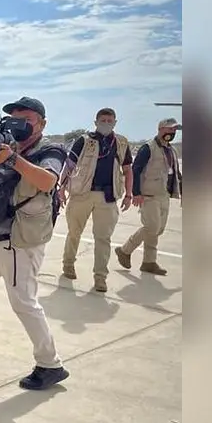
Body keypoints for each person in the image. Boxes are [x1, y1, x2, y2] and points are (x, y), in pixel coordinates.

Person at [0, 96, 69, 390]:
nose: (18, 124)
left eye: (26, 119)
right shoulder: (1, 143)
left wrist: (12, 158)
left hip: (19, 242)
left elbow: (48, 181)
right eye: (13, 118)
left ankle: (50, 363)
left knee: (23, 302)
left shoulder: (51, 150)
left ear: (42, 123)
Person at [60, 108, 134, 292]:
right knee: (74, 232)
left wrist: (129, 194)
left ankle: (100, 277)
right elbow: (69, 165)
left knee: (103, 238)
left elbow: (127, 170)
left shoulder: (122, 143)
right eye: (103, 120)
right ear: (96, 122)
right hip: (82, 194)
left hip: (108, 197)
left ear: (115, 122)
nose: (106, 123)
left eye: (110, 120)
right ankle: (68, 263)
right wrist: (61, 189)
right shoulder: (84, 141)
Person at [115, 118, 183, 275]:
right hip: (149, 195)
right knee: (151, 227)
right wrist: (136, 192)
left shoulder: (172, 151)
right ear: (160, 129)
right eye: (169, 130)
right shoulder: (148, 148)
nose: (172, 133)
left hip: (164, 194)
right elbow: (136, 169)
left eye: (174, 131)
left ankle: (149, 262)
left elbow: (176, 173)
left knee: (157, 230)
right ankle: (125, 250)